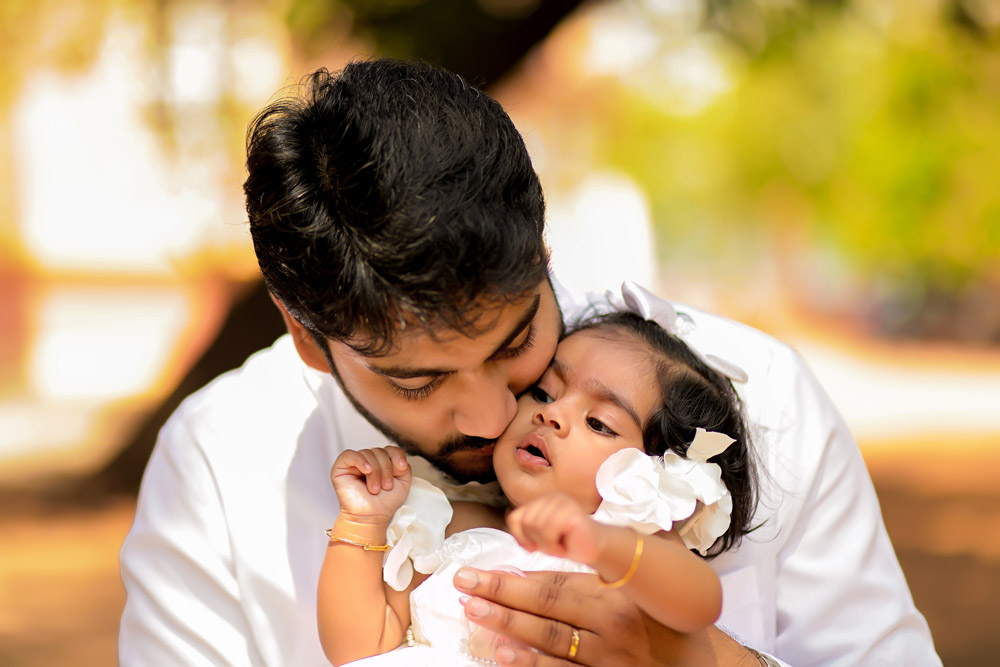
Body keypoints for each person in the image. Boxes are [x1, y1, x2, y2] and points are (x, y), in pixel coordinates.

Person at [118, 58, 941, 666]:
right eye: (418, 381)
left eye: (515, 344)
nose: (488, 416)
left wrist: (703, 661)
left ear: (542, 256)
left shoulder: (756, 395)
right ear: (307, 337)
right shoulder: (220, 463)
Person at [319, 311, 755, 665]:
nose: (553, 414)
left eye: (599, 423)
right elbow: (359, 646)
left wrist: (605, 543)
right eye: (544, 394)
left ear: (654, 477)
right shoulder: (447, 523)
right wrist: (362, 522)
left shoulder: (636, 552)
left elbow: (699, 605)